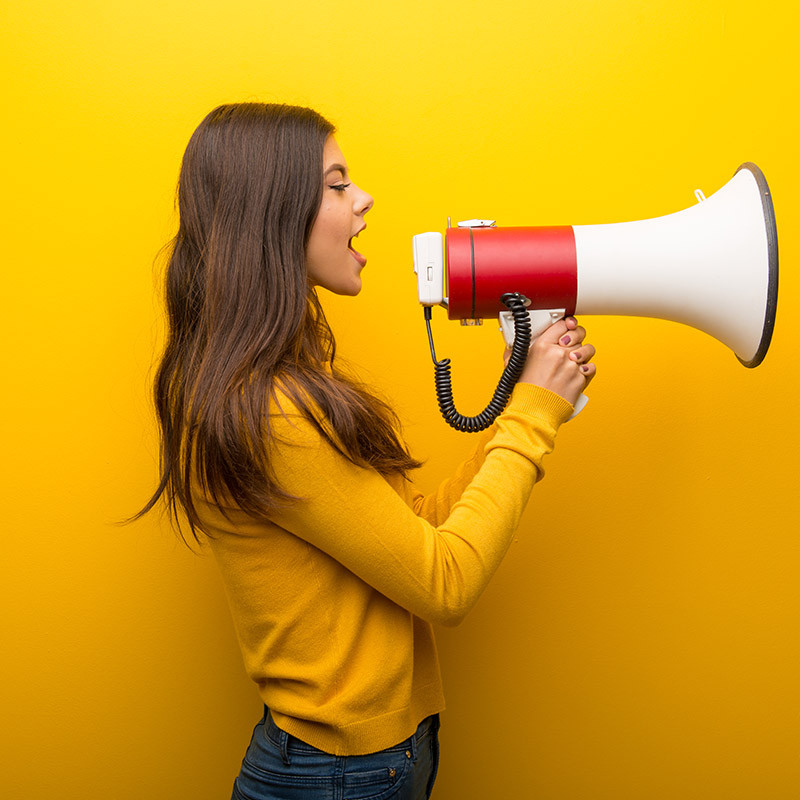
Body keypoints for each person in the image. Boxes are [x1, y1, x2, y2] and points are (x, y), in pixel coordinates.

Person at [136, 102, 596, 800]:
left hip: (353, 765)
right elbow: (446, 582)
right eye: (338, 182)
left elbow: (417, 534)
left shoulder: (274, 388)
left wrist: (525, 399)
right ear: (275, 212)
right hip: (339, 774)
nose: (364, 198)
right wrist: (533, 412)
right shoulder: (273, 410)